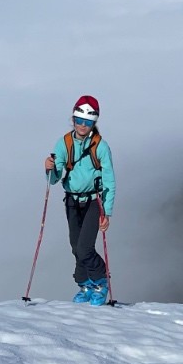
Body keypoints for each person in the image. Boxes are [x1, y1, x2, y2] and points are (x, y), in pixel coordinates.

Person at [44, 95, 116, 304]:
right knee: (76, 247)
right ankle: (85, 285)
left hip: (94, 201)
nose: (83, 125)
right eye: (79, 120)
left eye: (88, 122)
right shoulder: (64, 144)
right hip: (72, 201)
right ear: (73, 119)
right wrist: (49, 168)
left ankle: (101, 282)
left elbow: (109, 181)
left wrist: (107, 212)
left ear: (94, 122)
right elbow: (55, 178)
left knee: (85, 247)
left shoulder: (100, 147)